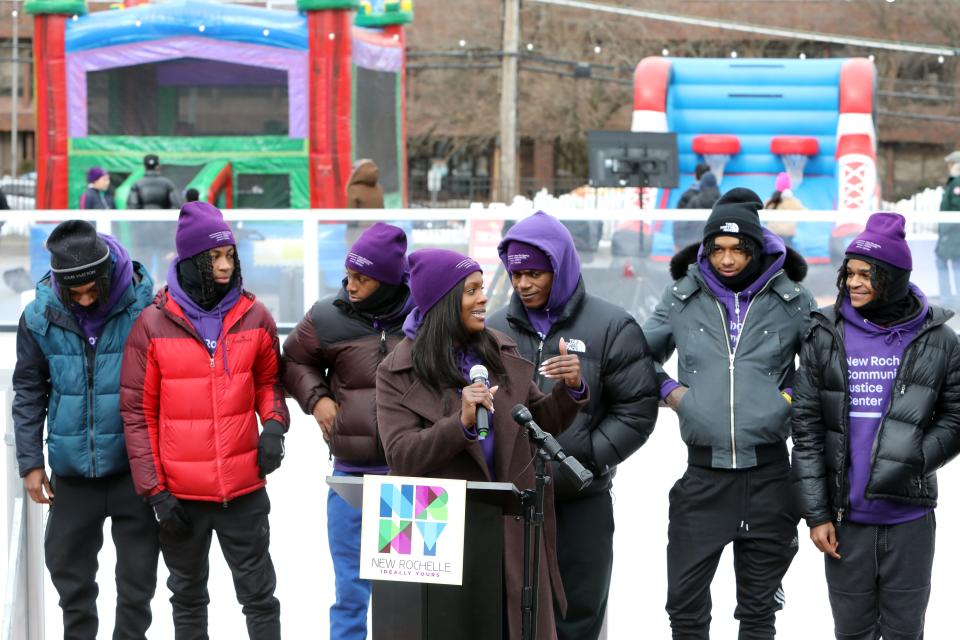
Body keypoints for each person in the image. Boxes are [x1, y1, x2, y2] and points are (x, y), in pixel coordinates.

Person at [376, 248, 588, 640]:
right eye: (471, 290)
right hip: (438, 534)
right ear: (442, 303)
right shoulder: (397, 370)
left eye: (481, 288)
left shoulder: (499, 349)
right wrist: (460, 424)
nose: (483, 298)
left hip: (509, 527)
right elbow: (401, 456)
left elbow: (538, 421)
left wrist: (570, 390)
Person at [642, 188, 816, 640]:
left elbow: (821, 368)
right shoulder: (682, 297)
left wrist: (787, 400)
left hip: (771, 478)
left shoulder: (793, 300)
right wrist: (673, 392)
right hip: (703, 479)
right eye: (717, 248)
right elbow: (635, 355)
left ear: (755, 249)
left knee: (758, 611)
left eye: (738, 249)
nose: (727, 259)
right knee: (684, 606)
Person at [120, 201, 289, 639]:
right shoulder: (153, 324)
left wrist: (273, 423)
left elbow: (270, 381)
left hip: (243, 490)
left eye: (230, 255)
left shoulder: (255, 316)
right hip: (180, 499)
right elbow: (138, 415)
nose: (225, 265)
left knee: (260, 598)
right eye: (214, 256)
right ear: (192, 259)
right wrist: (155, 491)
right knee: (188, 599)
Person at [488, 211, 659, 640]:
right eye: (516, 273)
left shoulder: (611, 326)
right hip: (512, 503)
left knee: (578, 616)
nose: (523, 284)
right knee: (510, 616)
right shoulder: (492, 330)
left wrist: (585, 460)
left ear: (559, 268)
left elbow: (637, 409)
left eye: (534, 273)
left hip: (581, 501)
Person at [791, 212, 960, 640]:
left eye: (868, 274)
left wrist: (916, 457)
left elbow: (956, 416)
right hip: (845, 520)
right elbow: (807, 428)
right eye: (849, 273)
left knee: (905, 631)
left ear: (895, 277)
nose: (854, 283)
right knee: (852, 632)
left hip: (910, 516)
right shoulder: (825, 333)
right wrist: (817, 513)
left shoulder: (938, 338)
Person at [12, 220, 159, 639]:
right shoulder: (40, 316)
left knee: (138, 580)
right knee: (67, 571)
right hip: (72, 472)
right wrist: (30, 462)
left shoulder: (146, 307)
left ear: (107, 271)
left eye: (91, 287)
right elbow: (28, 389)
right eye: (73, 292)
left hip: (135, 469)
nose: (85, 298)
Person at [282, 222, 414, 640]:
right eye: (349, 275)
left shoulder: (424, 316)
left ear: (390, 281)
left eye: (363, 278)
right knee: (350, 592)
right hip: (350, 477)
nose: (351, 286)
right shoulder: (327, 315)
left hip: (410, 480)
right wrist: (317, 399)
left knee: (407, 595)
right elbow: (292, 362)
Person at [934, 150, 960, 309]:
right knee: (955, 264)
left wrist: (945, 231)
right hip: (952, 233)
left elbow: (956, 209)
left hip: (953, 233)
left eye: (951, 163)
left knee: (946, 262)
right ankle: (952, 299)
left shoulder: (957, 183)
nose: (949, 167)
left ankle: (949, 299)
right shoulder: (954, 182)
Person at [673, 164, 714, 251]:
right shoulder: (717, 197)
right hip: (708, 243)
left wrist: (677, 243)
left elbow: (678, 222)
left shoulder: (687, 196)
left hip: (688, 244)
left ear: (695, 175)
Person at [764, 172, 804, 249]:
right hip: (788, 234)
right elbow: (805, 213)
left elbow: (762, 213)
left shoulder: (770, 201)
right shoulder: (794, 202)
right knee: (788, 256)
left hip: (774, 234)